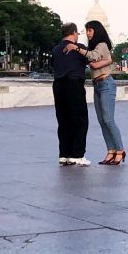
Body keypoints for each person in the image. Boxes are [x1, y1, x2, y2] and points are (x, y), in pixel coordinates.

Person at [65, 20, 125, 165]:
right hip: (97, 85)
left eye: (90, 30)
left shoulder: (102, 45)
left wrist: (77, 48)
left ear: (96, 30)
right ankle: (110, 150)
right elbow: (92, 60)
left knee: (109, 120)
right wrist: (103, 61)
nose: (87, 33)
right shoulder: (94, 47)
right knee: (102, 121)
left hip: (106, 84)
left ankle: (120, 150)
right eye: (86, 30)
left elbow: (92, 57)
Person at [51, 22, 90, 166]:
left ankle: (64, 154)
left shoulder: (55, 49)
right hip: (74, 84)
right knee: (80, 120)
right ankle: (77, 155)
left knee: (63, 120)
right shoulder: (79, 49)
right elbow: (90, 59)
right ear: (73, 33)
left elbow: (54, 65)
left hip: (58, 85)